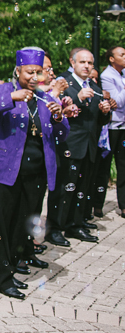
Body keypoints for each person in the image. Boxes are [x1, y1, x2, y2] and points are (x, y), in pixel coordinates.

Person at [0, 48, 69, 299]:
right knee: (1, 227)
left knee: (21, 227)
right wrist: (13, 98)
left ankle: (10, 270)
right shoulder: (1, 89)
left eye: (39, 72)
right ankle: (1, 278)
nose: (34, 76)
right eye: (30, 71)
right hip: (2, 173)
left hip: (36, 175)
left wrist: (60, 117)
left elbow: (63, 135)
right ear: (18, 70)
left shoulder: (45, 98)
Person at [45, 49, 110, 247]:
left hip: (89, 145)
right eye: (82, 62)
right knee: (63, 188)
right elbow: (56, 108)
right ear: (72, 63)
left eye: (90, 63)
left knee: (83, 187)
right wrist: (79, 98)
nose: (87, 66)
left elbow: (98, 120)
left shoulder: (94, 86)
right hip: (69, 144)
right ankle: (54, 228)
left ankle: (75, 223)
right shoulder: (64, 83)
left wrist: (105, 112)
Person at [99, 46, 125, 219]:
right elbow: (119, 102)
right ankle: (96, 205)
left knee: (123, 167)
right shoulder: (106, 76)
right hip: (111, 127)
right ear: (111, 59)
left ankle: (123, 205)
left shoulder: (122, 75)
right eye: (122, 54)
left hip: (123, 126)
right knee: (104, 167)